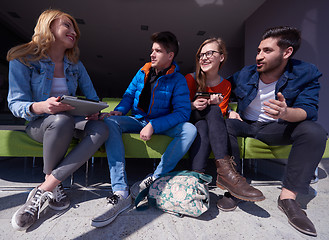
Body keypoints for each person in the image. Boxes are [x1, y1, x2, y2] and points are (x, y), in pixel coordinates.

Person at [7, 9, 109, 231]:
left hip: (71, 121)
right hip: (39, 123)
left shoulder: (75, 65)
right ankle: (51, 186)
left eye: (75, 29)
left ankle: (46, 188)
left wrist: (94, 111)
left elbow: (93, 98)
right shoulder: (23, 60)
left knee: (100, 128)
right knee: (61, 119)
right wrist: (43, 106)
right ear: (49, 27)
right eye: (67, 26)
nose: (73, 32)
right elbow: (15, 104)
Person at [220, 26, 327, 237]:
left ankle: (288, 199)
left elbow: (308, 110)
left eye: (267, 51)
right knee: (220, 123)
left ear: (286, 52)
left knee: (315, 131)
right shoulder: (245, 74)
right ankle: (236, 187)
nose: (259, 56)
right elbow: (221, 89)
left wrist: (287, 112)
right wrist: (226, 112)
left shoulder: (306, 73)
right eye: (259, 50)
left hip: (277, 128)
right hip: (246, 124)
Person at [91, 31, 197, 227]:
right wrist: (120, 111)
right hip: (138, 119)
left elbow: (183, 113)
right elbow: (129, 96)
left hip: (162, 123)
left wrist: (154, 125)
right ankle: (120, 190)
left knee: (189, 129)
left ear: (170, 55)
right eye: (152, 50)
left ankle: (155, 177)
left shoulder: (178, 80)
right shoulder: (142, 72)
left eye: (158, 51)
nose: (152, 54)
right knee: (109, 123)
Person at [185, 38, 265, 206]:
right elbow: (178, 107)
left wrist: (228, 111)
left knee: (206, 122)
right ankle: (225, 171)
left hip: (206, 123)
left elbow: (219, 114)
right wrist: (193, 105)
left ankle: (196, 179)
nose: (204, 58)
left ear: (221, 57)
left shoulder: (226, 85)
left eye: (209, 53)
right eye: (201, 54)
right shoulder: (190, 79)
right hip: (189, 119)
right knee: (207, 115)